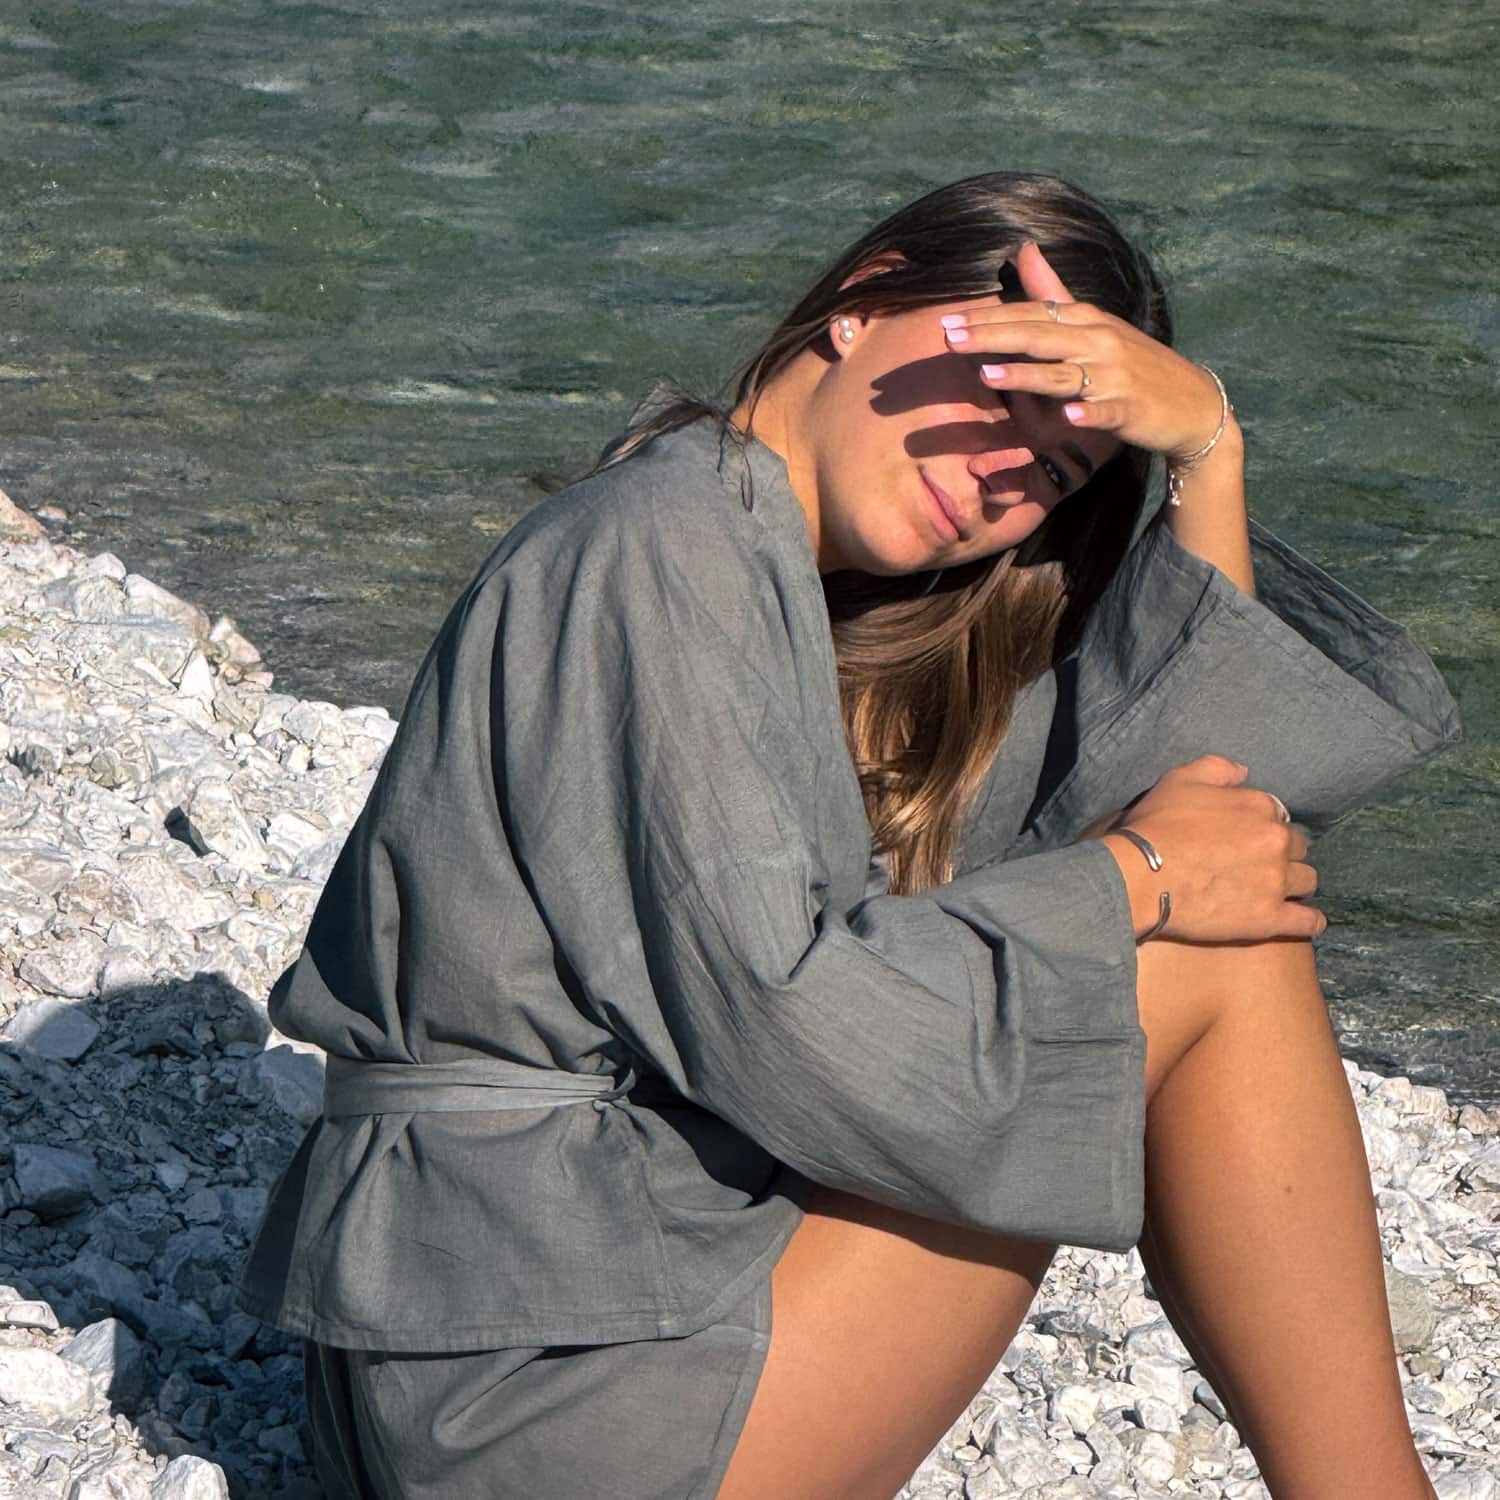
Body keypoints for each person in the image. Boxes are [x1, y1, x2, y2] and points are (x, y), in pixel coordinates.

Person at [235, 171, 1461, 1499]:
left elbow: (1211, 798)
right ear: (864, 304)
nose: (1005, 475)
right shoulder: (665, 542)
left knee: (1196, 922)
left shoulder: (779, 581)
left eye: (1055, 470)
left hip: (551, 1291)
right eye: (1001, 397)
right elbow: (783, 1022)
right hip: (528, 1380)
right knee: (1196, 949)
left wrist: (1207, 450)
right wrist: (1134, 878)